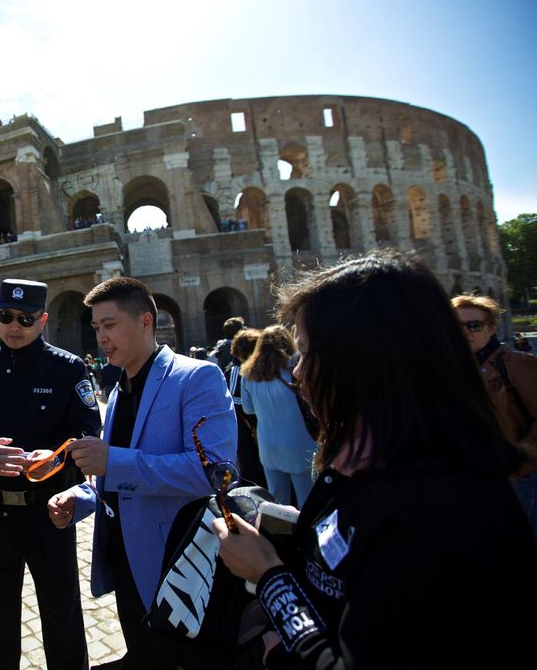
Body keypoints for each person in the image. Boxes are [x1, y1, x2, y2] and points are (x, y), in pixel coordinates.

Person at [214, 252, 537, 668]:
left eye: (309, 354)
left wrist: (270, 577)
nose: (298, 374)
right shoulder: (367, 461)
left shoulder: (437, 507)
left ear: (364, 359)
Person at [47, 276, 236, 669]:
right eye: (97, 327)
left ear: (146, 322)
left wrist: (112, 462)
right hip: (125, 562)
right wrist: (81, 498)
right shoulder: (117, 391)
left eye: (110, 325)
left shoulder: (197, 377)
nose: (101, 336)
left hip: (176, 565)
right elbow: (115, 477)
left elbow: (214, 474)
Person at [0, 279, 101, 670]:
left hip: (47, 512)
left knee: (61, 612)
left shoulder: (67, 368)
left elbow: (87, 433)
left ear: (43, 320)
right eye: (5, 316)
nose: (14, 326)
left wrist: (56, 456)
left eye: (26, 319)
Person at [453, 293, 537, 535]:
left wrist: (521, 458)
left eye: (474, 325)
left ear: (491, 328)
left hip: (518, 477)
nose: (465, 332)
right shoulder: (454, 370)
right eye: (456, 326)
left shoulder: (516, 363)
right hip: (476, 474)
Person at [239, 325, 317, 507]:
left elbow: (248, 409)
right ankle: (307, 536)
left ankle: (278, 535)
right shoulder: (295, 371)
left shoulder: (248, 375)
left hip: (269, 445)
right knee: (307, 500)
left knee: (276, 502)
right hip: (300, 443)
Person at [226, 327, 267, 488]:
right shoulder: (237, 370)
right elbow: (233, 399)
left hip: (254, 426)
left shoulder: (259, 369)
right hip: (247, 427)